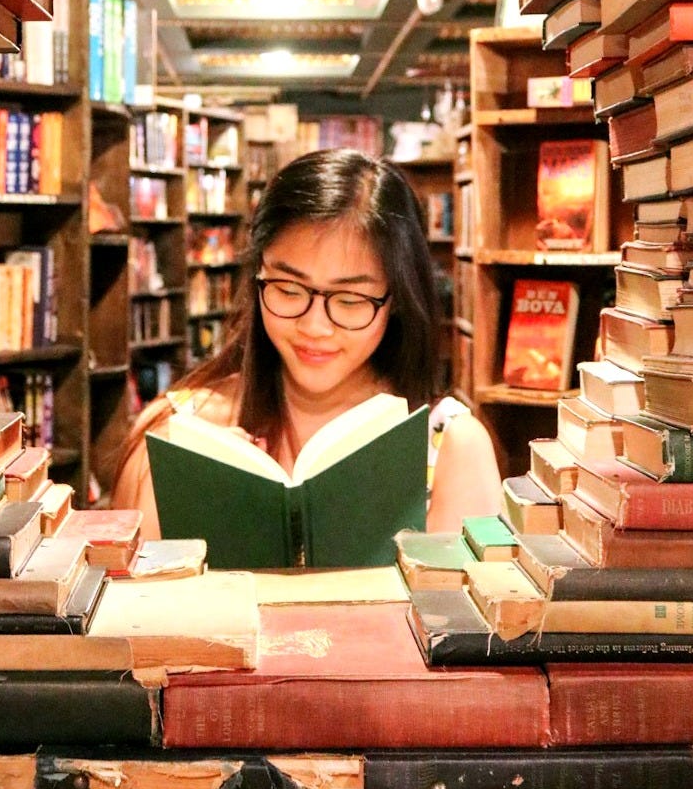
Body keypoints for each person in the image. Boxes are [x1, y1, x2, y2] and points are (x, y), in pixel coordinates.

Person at [112, 147, 503, 544]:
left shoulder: (452, 447)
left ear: (398, 298)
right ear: (257, 276)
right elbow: (138, 600)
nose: (314, 327)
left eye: (350, 301)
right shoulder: (177, 433)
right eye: (288, 289)